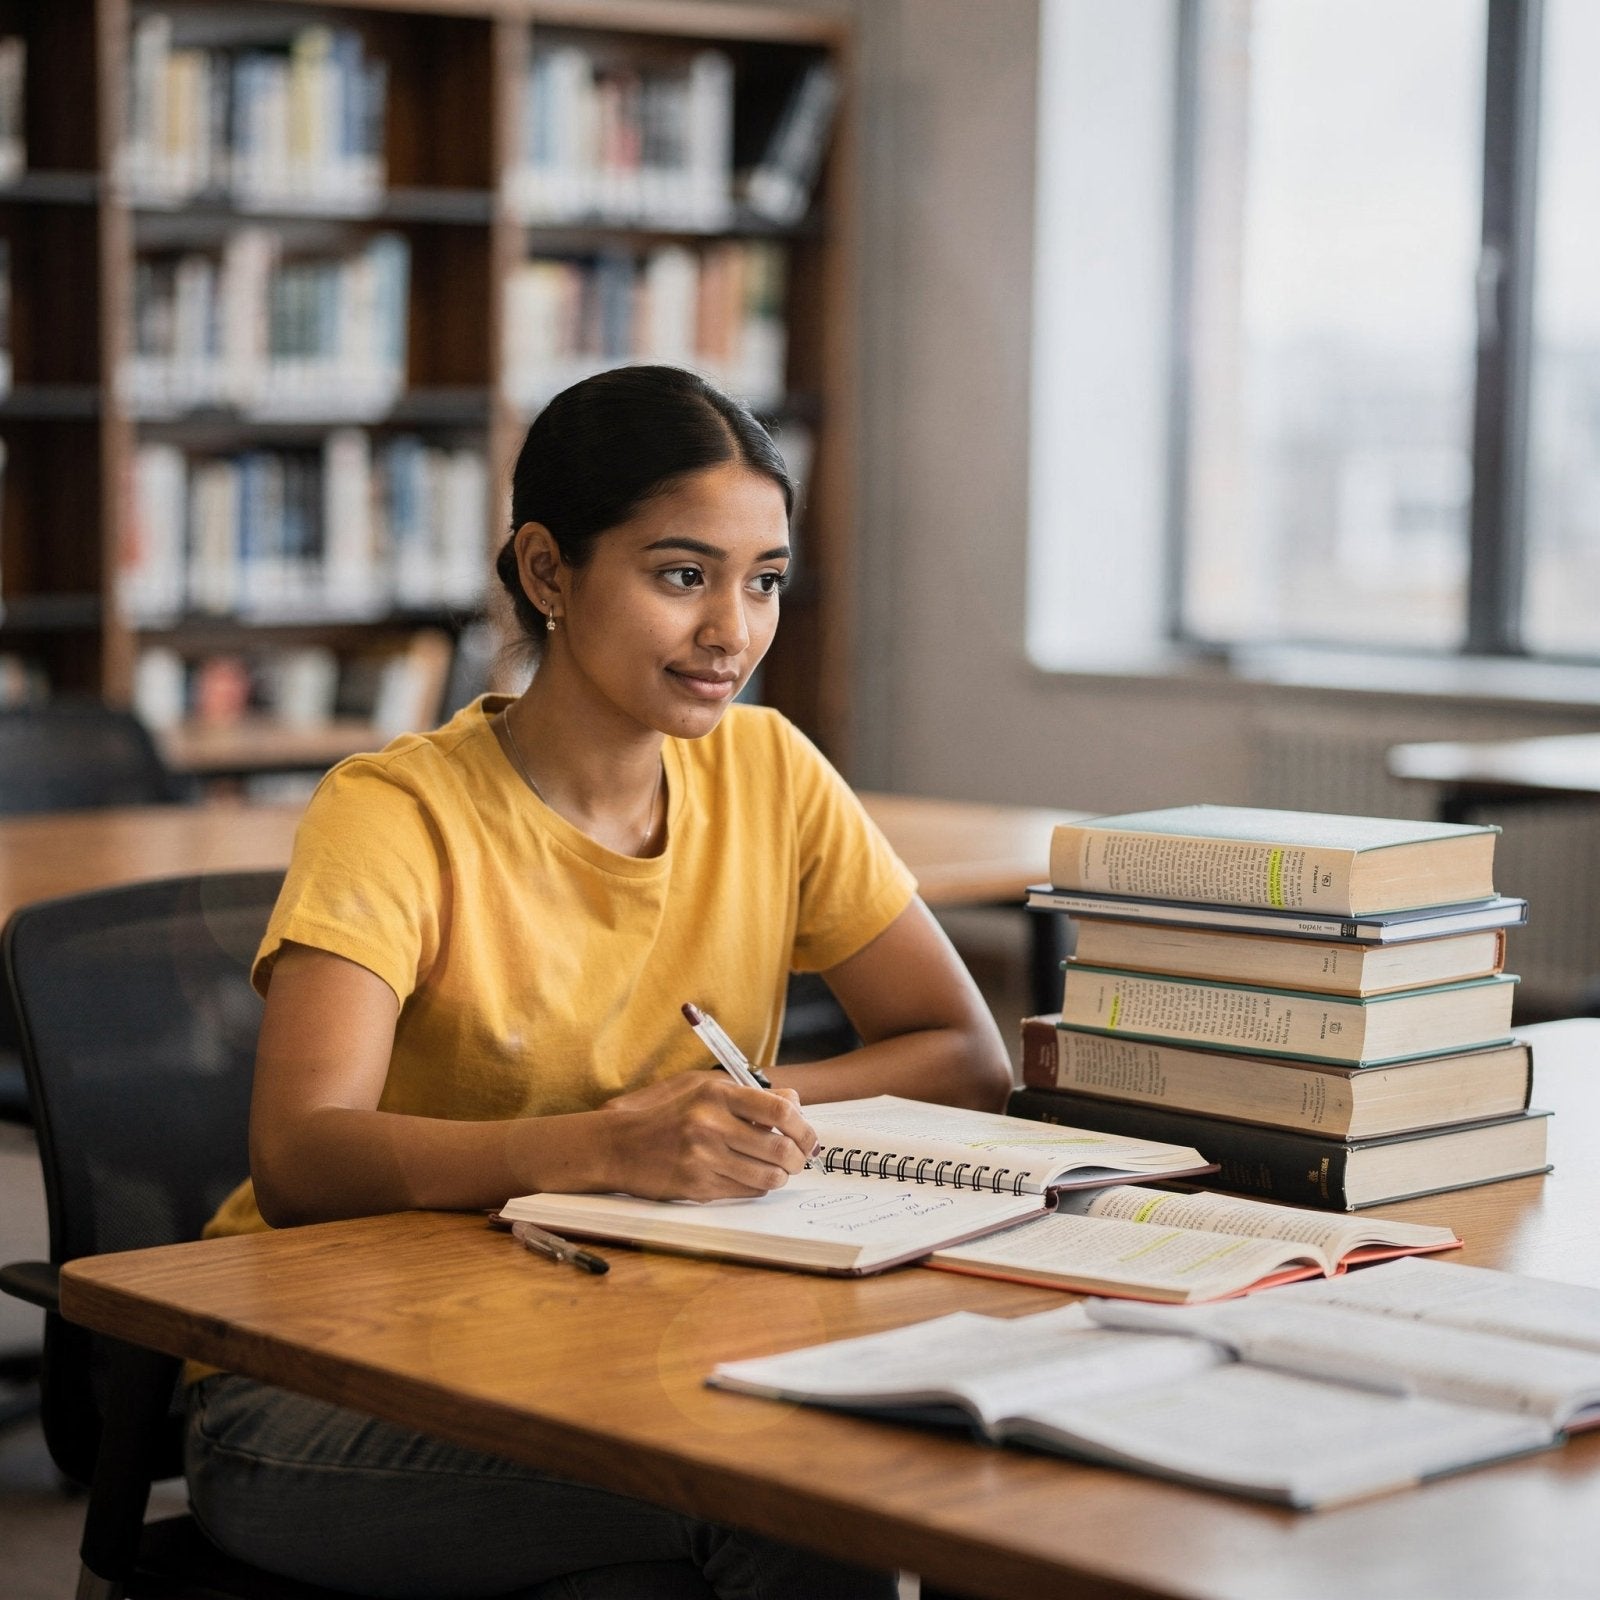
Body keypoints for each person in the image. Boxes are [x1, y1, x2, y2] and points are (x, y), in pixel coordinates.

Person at [184, 365, 1013, 1599]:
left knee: (950, 1457)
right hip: (315, 1382)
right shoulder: (394, 811)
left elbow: (962, 1053)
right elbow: (301, 1158)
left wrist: (737, 1108)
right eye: (683, 575)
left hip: (600, 1334)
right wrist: (601, 1146)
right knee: (795, 1495)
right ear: (548, 572)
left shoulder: (771, 769)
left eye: (765, 579)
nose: (732, 629)